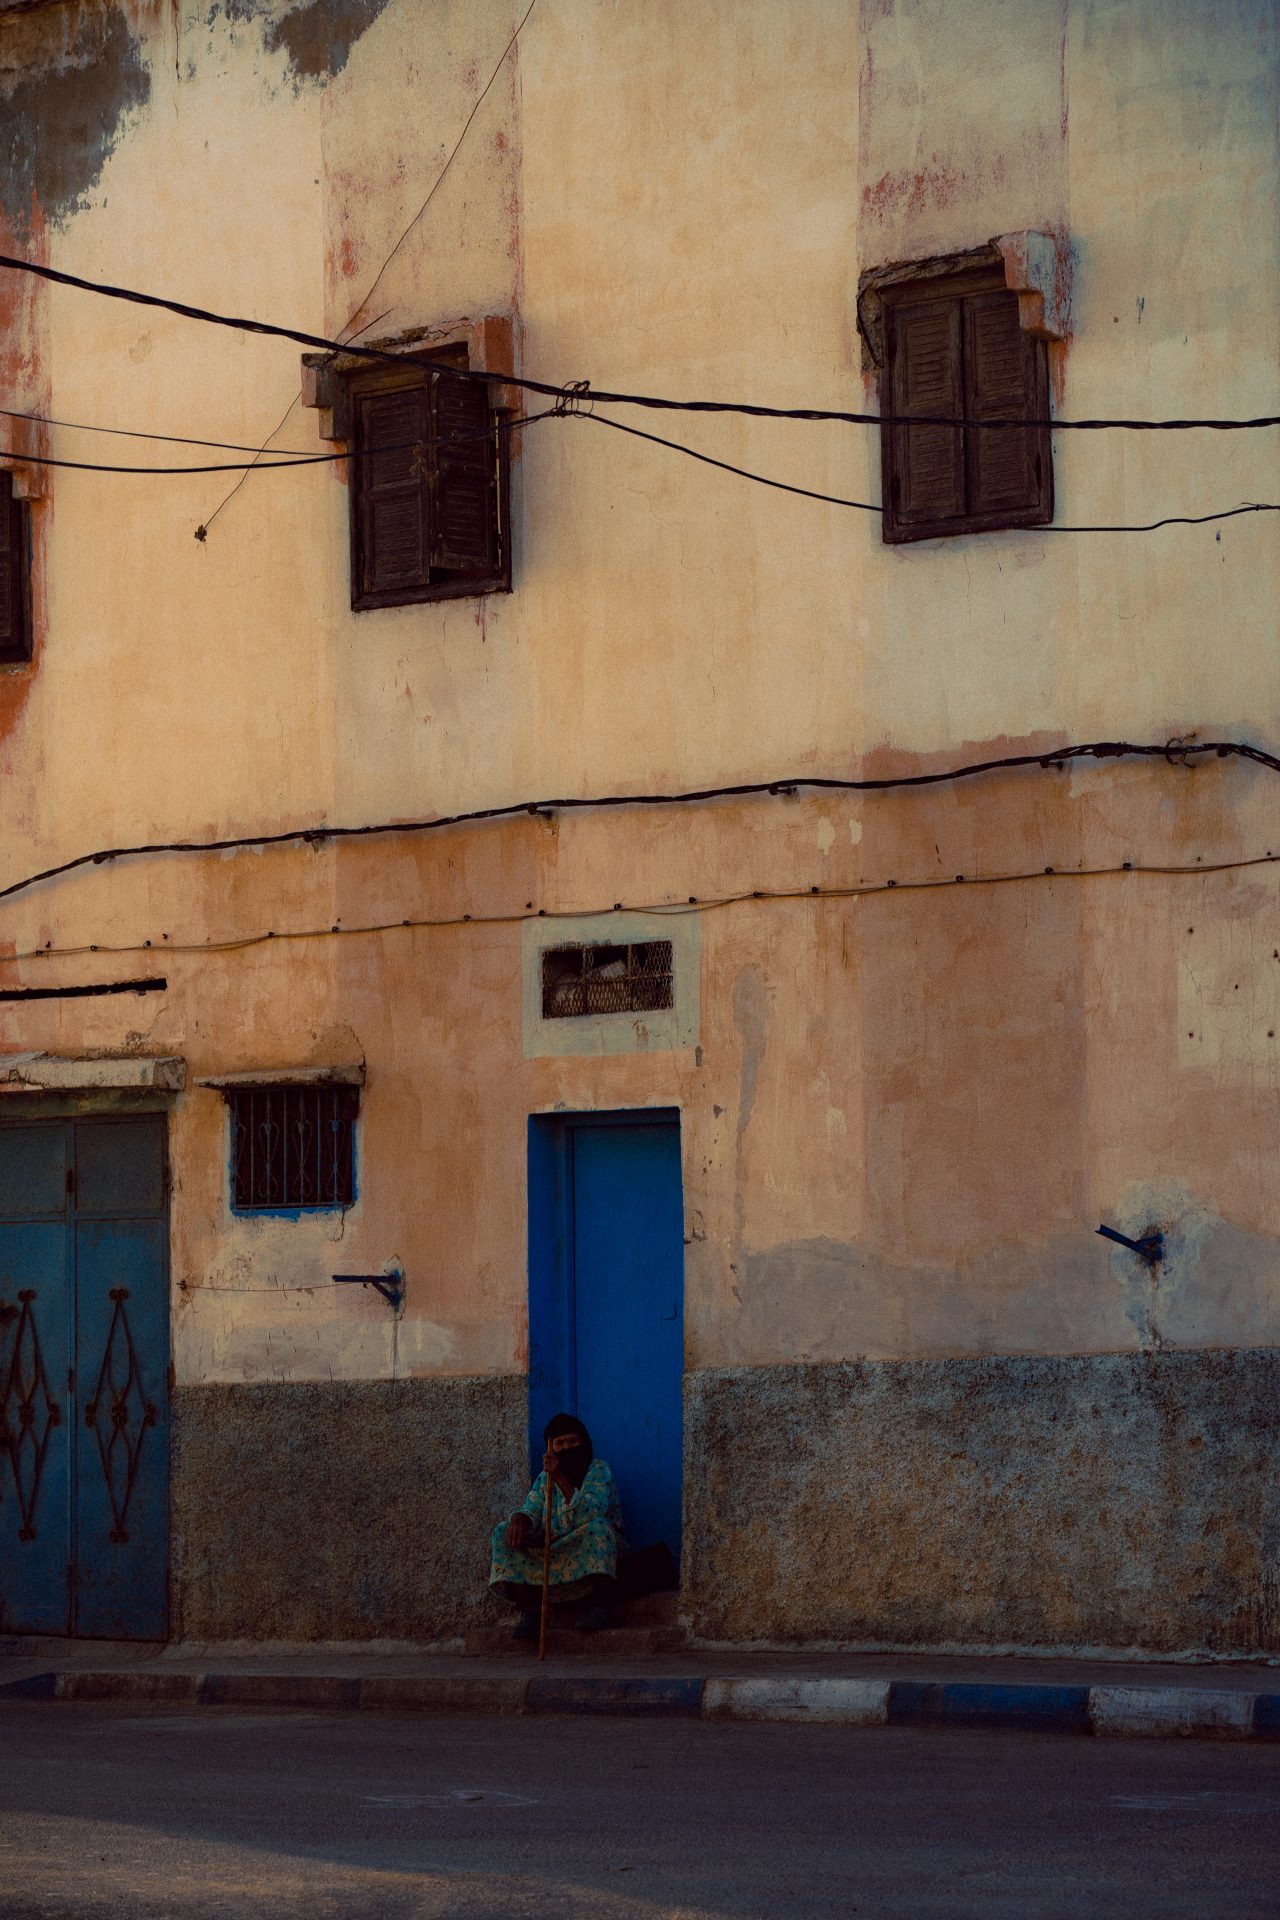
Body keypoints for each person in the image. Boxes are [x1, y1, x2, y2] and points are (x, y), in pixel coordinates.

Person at [489, 1413, 625, 1638]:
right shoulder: (544, 1479)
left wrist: (561, 1478)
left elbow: (592, 1512)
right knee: (504, 1532)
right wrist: (520, 1520)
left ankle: (601, 1607)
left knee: (599, 1528)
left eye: (572, 1442)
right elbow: (532, 1509)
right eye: (559, 1444)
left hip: (594, 1551)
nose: (567, 1448)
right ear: (550, 1450)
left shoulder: (599, 1470)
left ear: (584, 1443)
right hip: (557, 1551)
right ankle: (531, 1611)